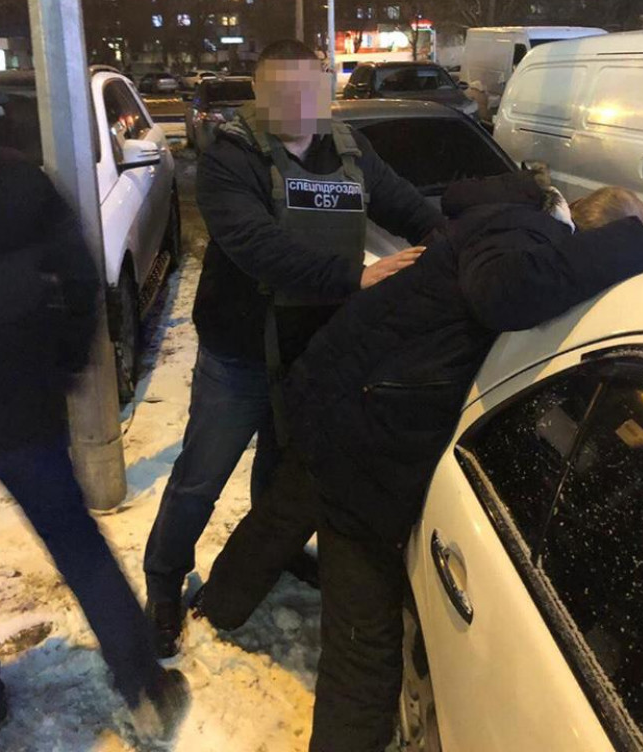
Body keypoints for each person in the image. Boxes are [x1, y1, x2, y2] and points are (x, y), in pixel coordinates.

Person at [193, 178, 643, 752]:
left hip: (338, 392)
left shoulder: (510, 219)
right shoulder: (524, 232)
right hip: (364, 429)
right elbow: (505, 293)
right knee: (364, 646)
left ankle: (220, 605)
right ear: (588, 237)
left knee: (286, 508)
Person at [143, 39, 446, 657]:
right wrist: (356, 277)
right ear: (259, 93)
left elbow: (412, 209)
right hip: (242, 353)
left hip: (313, 353)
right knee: (201, 476)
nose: (296, 103)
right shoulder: (232, 158)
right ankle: (163, 581)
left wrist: (460, 243)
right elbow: (258, 247)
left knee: (283, 472)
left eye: (308, 89)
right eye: (281, 91)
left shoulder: (351, 151)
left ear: (326, 90)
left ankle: (273, 553)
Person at [0, 99, 188, 741]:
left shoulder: (15, 178)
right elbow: (82, 280)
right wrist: (61, 366)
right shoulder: (16, 177)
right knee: (77, 543)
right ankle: (143, 682)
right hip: (25, 407)